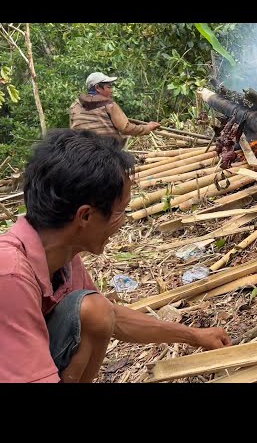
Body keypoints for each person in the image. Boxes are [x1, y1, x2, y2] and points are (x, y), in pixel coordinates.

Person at [0, 130, 232, 383]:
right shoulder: (10, 275)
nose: (122, 223)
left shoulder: (62, 254)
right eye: (120, 211)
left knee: (94, 310)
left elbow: (111, 317)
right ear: (85, 216)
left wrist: (194, 336)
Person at [69, 72, 160, 147]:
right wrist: (147, 128)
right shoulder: (108, 104)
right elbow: (126, 128)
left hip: (81, 148)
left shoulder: (75, 105)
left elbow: (72, 130)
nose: (111, 90)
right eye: (108, 87)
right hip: (106, 150)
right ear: (97, 88)